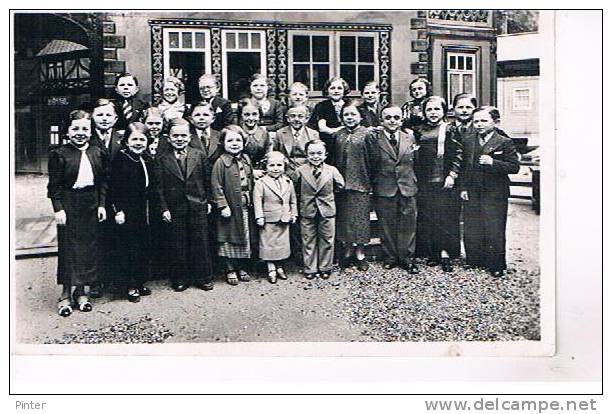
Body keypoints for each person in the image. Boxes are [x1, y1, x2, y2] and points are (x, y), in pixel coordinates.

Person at [47, 110, 108, 316]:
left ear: (90, 131)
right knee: (69, 249)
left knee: (88, 249)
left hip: (90, 203)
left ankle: (82, 292)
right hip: (69, 204)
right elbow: (53, 187)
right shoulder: (59, 154)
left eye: (84, 129)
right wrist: (58, 209)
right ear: (68, 131)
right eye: (75, 128)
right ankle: (65, 294)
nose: (80, 133)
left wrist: (101, 205)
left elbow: (102, 182)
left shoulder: (97, 152)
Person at [151, 118, 214, 291]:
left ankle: (203, 277)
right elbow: (158, 187)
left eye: (183, 135)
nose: (180, 139)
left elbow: (207, 180)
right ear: (169, 138)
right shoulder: (162, 158)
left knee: (200, 242)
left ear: (189, 137)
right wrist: (163, 208)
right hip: (174, 207)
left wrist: (209, 200)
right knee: (178, 243)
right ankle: (180, 277)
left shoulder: (199, 155)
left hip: (197, 204)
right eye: (175, 135)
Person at [460, 106, 520, 277]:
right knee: (472, 226)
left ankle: (496, 264)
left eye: (483, 121)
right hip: (473, 190)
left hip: (495, 193)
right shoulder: (469, 140)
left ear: (496, 122)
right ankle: (474, 259)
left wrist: (493, 162)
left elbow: (514, 167)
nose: (479, 124)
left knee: (494, 227)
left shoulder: (504, 141)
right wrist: (464, 188)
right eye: (476, 121)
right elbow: (465, 167)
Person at [366, 106, 419, 274]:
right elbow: (370, 162)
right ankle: (390, 257)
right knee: (386, 224)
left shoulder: (409, 137)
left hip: (407, 186)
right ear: (381, 120)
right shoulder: (374, 139)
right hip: (384, 186)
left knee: (408, 224)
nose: (392, 121)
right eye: (388, 117)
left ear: (401, 120)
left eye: (396, 117)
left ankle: (407, 258)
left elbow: (416, 161)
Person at [413, 96, 463, 272]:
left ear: (443, 111)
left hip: (445, 180)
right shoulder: (419, 130)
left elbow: (458, 152)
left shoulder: (449, 129)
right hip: (425, 180)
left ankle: (446, 253)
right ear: (424, 112)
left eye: (436, 109)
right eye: (429, 110)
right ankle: (432, 253)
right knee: (429, 216)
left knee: (446, 217)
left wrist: (452, 174)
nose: (433, 113)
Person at [109, 122, 152, 302]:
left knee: (142, 246)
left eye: (142, 139)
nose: (138, 143)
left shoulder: (145, 158)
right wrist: (118, 210)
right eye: (134, 139)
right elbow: (113, 187)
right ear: (126, 141)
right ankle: (129, 285)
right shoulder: (120, 159)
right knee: (128, 248)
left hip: (142, 209)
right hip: (127, 210)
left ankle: (139, 281)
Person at [211, 125, 256, 286]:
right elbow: (216, 185)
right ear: (223, 143)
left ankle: (241, 266)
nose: (234, 143)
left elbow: (250, 178)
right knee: (228, 239)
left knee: (244, 236)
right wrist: (223, 205)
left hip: (244, 205)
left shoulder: (246, 159)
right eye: (230, 140)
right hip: (229, 207)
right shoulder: (221, 162)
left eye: (238, 140)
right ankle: (229, 268)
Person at [295, 140, 345, 280]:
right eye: (311, 153)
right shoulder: (300, 171)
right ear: (306, 155)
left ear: (325, 155)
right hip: (307, 209)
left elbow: (340, 185)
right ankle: (310, 268)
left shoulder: (332, 170)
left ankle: (325, 267)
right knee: (308, 238)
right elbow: (295, 187)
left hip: (327, 209)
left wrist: (328, 197)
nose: (315, 156)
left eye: (319, 153)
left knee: (327, 239)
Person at [89, 98, 123, 298]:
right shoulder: (87, 138)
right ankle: (96, 281)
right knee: (97, 238)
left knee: (118, 237)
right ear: (93, 117)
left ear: (116, 118)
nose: (104, 118)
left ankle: (117, 280)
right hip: (94, 196)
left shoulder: (122, 138)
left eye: (108, 115)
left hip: (119, 195)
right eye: (100, 115)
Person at [333, 102, 372, 271]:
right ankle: (348, 250)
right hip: (342, 183)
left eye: (353, 114)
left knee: (360, 219)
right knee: (345, 219)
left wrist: (371, 181)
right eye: (346, 115)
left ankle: (360, 252)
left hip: (361, 182)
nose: (350, 118)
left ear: (360, 117)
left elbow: (373, 159)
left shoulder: (367, 135)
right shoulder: (338, 135)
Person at [253, 151, 298, 284]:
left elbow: (293, 200)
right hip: (268, 218)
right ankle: (271, 268)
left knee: (281, 244)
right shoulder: (261, 182)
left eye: (279, 165)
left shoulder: (288, 181)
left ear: (284, 166)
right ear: (265, 167)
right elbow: (257, 200)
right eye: (271, 165)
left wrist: (293, 213)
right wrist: (259, 216)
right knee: (268, 244)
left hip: (284, 218)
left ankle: (280, 266)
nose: (276, 168)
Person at [308, 77, 350, 164]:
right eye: (332, 88)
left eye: (339, 88)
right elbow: (323, 128)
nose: (336, 91)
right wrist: (342, 129)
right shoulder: (322, 106)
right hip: (329, 143)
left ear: (344, 90)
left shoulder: (350, 105)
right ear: (327, 90)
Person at [273, 106, 320, 180]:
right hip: (286, 171)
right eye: (293, 116)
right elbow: (276, 154)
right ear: (288, 118)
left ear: (306, 119)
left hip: (307, 171)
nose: (296, 119)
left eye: (300, 116)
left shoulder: (313, 134)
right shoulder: (280, 133)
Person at [238, 103, 272, 171]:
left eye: (254, 114)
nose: (251, 118)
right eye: (247, 115)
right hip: (240, 171)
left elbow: (268, 156)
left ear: (259, 116)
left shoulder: (264, 134)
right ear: (241, 116)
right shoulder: (237, 132)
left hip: (261, 170)